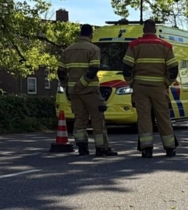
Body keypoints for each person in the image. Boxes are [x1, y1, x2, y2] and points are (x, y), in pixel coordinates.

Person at [123, 20, 179, 158]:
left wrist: (131, 82)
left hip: (140, 87)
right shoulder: (165, 46)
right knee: (163, 117)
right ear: (155, 30)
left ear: (144, 29)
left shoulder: (134, 45)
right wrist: (167, 82)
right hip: (159, 88)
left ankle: (147, 148)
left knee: (144, 118)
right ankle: (170, 148)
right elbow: (173, 68)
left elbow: (127, 67)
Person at [59, 24, 116, 157]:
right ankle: (101, 148)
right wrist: (82, 84)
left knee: (79, 119)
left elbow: (61, 71)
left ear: (80, 33)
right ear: (91, 34)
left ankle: (82, 147)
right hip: (90, 91)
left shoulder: (68, 50)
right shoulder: (93, 49)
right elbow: (93, 69)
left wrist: (67, 85)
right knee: (98, 119)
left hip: (74, 92)